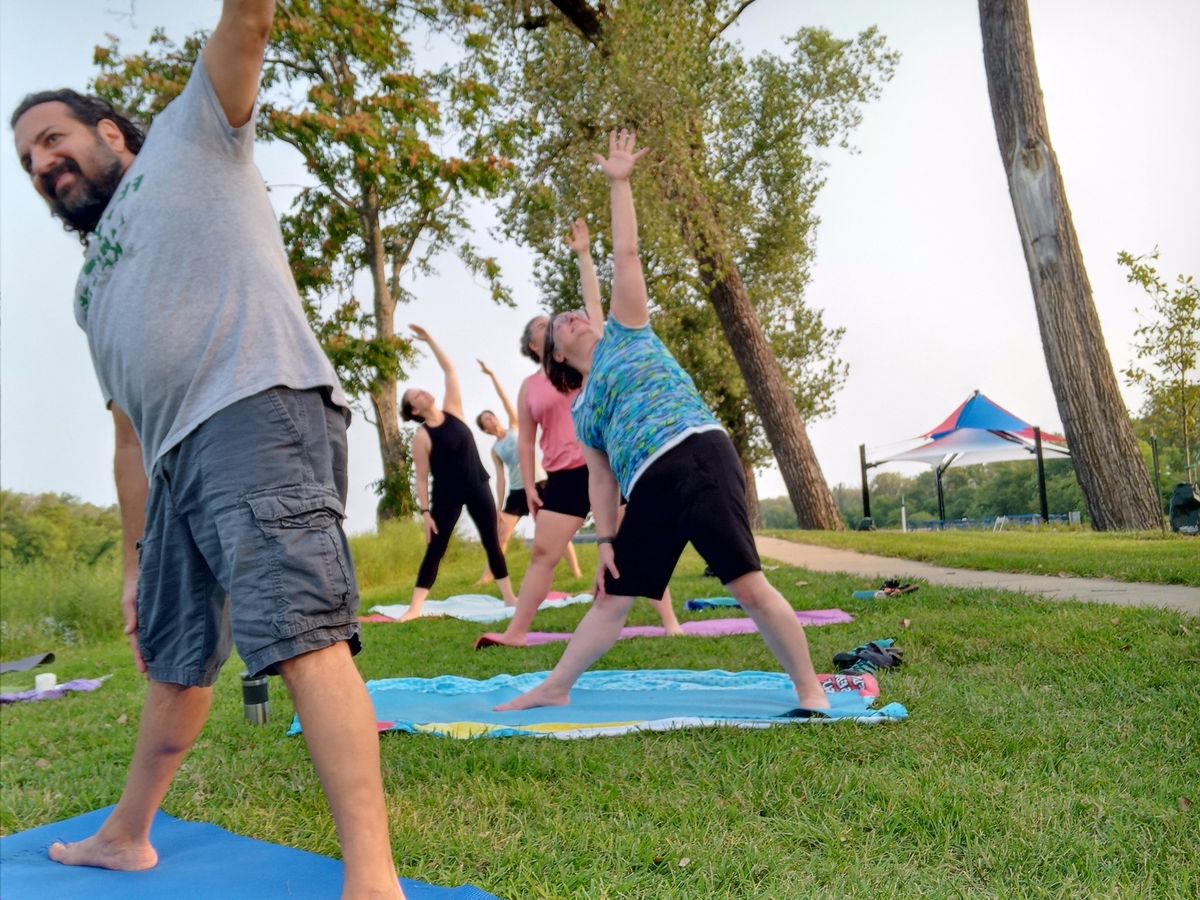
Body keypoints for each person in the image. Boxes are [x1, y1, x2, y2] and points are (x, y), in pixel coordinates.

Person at [10, 2, 403, 896]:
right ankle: (126, 836)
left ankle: (372, 880)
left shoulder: (195, 135)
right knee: (176, 662)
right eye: (28, 160)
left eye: (52, 137)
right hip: (174, 461)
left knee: (301, 633)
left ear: (109, 131)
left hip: (254, 409)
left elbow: (249, 22)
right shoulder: (87, 289)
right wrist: (133, 558)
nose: (41, 163)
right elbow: (127, 431)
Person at [497, 130, 830, 715]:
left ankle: (810, 692)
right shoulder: (582, 408)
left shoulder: (627, 330)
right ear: (554, 358)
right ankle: (555, 686)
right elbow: (601, 479)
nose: (574, 316)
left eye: (575, 311)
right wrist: (603, 541)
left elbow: (625, 256)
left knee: (746, 584)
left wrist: (620, 183)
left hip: (697, 454)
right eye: (563, 323)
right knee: (610, 597)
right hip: (649, 484)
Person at [476, 219, 682, 650]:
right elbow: (526, 440)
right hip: (566, 476)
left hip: (608, 464)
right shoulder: (530, 387)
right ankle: (516, 632)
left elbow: (595, 307)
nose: (552, 322)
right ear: (540, 346)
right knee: (542, 554)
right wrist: (529, 485)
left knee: (635, 542)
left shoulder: (590, 363)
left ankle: (671, 622)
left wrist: (584, 254)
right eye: (542, 325)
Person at [401, 326, 518, 620]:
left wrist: (430, 341)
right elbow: (421, 478)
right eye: (416, 395)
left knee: (492, 540)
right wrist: (425, 512)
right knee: (436, 548)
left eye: (420, 389)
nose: (423, 392)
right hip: (447, 495)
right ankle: (415, 608)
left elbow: (449, 370)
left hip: (477, 484)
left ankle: (509, 598)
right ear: (414, 409)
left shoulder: (454, 410)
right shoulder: (422, 436)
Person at [474, 359, 582, 585]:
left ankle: (577, 573)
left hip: (540, 483)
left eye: (491, 415)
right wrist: (498, 507)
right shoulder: (495, 450)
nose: (491, 419)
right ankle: (487, 576)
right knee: (501, 536)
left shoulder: (515, 425)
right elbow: (500, 480)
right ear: (485, 429)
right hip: (516, 491)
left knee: (556, 532)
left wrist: (492, 374)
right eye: (486, 420)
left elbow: (505, 399)